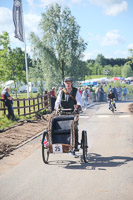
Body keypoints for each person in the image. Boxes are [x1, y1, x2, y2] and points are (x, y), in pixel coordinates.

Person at [55, 77, 82, 150]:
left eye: (69, 83)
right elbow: (58, 101)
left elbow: (79, 100)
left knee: (74, 128)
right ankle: (61, 142)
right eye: (66, 83)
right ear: (64, 84)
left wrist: (77, 106)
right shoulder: (62, 91)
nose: (68, 84)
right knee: (61, 127)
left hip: (73, 112)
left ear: (71, 83)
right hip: (63, 112)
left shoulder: (75, 91)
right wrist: (57, 108)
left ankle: (75, 144)